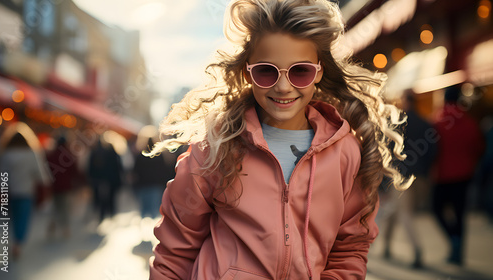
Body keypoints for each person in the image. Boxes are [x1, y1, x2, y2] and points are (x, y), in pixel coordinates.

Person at [149, 0, 411, 279]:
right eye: (266, 71)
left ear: (319, 72)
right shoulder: (213, 148)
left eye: (300, 71)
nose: (283, 86)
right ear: (247, 71)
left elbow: (349, 250)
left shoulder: (345, 152)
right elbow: (174, 254)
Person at [378, 90, 437, 268]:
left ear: (404, 101)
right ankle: (386, 246)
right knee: (394, 211)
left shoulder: (396, 124)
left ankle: (417, 250)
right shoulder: (427, 124)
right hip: (421, 177)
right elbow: (433, 152)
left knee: (404, 213)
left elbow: (385, 151)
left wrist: (382, 180)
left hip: (401, 176)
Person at [432, 85, 485, 265]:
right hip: (465, 175)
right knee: (460, 213)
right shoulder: (470, 122)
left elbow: (432, 150)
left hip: (443, 175)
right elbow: (478, 148)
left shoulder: (439, 121)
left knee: (437, 208)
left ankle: (453, 239)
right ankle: (458, 250)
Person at [0, 123, 51, 259]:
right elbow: (40, 174)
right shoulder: (31, 153)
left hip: (11, 190)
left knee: (14, 217)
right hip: (26, 191)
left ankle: (15, 240)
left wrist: (1, 189)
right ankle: (18, 242)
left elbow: (2, 174)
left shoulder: (6, 154)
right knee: (23, 217)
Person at [46, 135, 82, 239]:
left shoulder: (51, 155)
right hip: (65, 186)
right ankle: (65, 229)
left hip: (54, 186)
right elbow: (75, 171)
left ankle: (52, 226)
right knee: (65, 208)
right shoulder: (69, 155)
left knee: (56, 207)